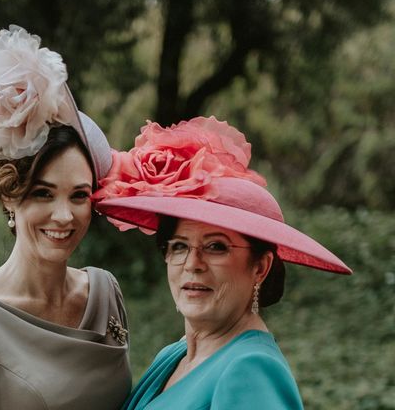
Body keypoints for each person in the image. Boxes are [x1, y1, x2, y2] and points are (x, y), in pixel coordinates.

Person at [0, 26, 131, 410]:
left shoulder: (106, 292)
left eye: (79, 195)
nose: (64, 215)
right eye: (43, 193)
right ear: (9, 195)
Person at [92, 116, 352, 409]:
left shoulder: (251, 371)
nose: (193, 263)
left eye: (216, 247)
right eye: (179, 246)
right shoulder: (173, 356)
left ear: (260, 268)